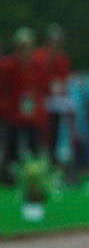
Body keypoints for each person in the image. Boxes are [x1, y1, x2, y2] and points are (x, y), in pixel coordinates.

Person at [1, 27, 48, 185]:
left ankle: (34, 179)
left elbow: (43, 88)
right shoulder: (8, 66)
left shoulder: (38, 65)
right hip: (14, 112)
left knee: (33, 148)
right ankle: (9, 179)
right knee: (12, 149)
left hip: (33, 114)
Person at [33, 22, 73, 167]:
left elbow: (64, 79)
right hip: (42, 100)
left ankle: (52, 160)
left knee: (54, 133)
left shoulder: (62, 57)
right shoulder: (40, 56)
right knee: (41, 133)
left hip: (56, 101)